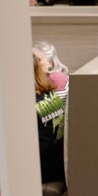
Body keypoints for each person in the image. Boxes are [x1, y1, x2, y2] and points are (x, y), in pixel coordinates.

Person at [34, 54, 65, 184]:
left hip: (46, 171)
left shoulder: (31, 103)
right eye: (41, 60)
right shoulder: (50, 93)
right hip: (59, 163)